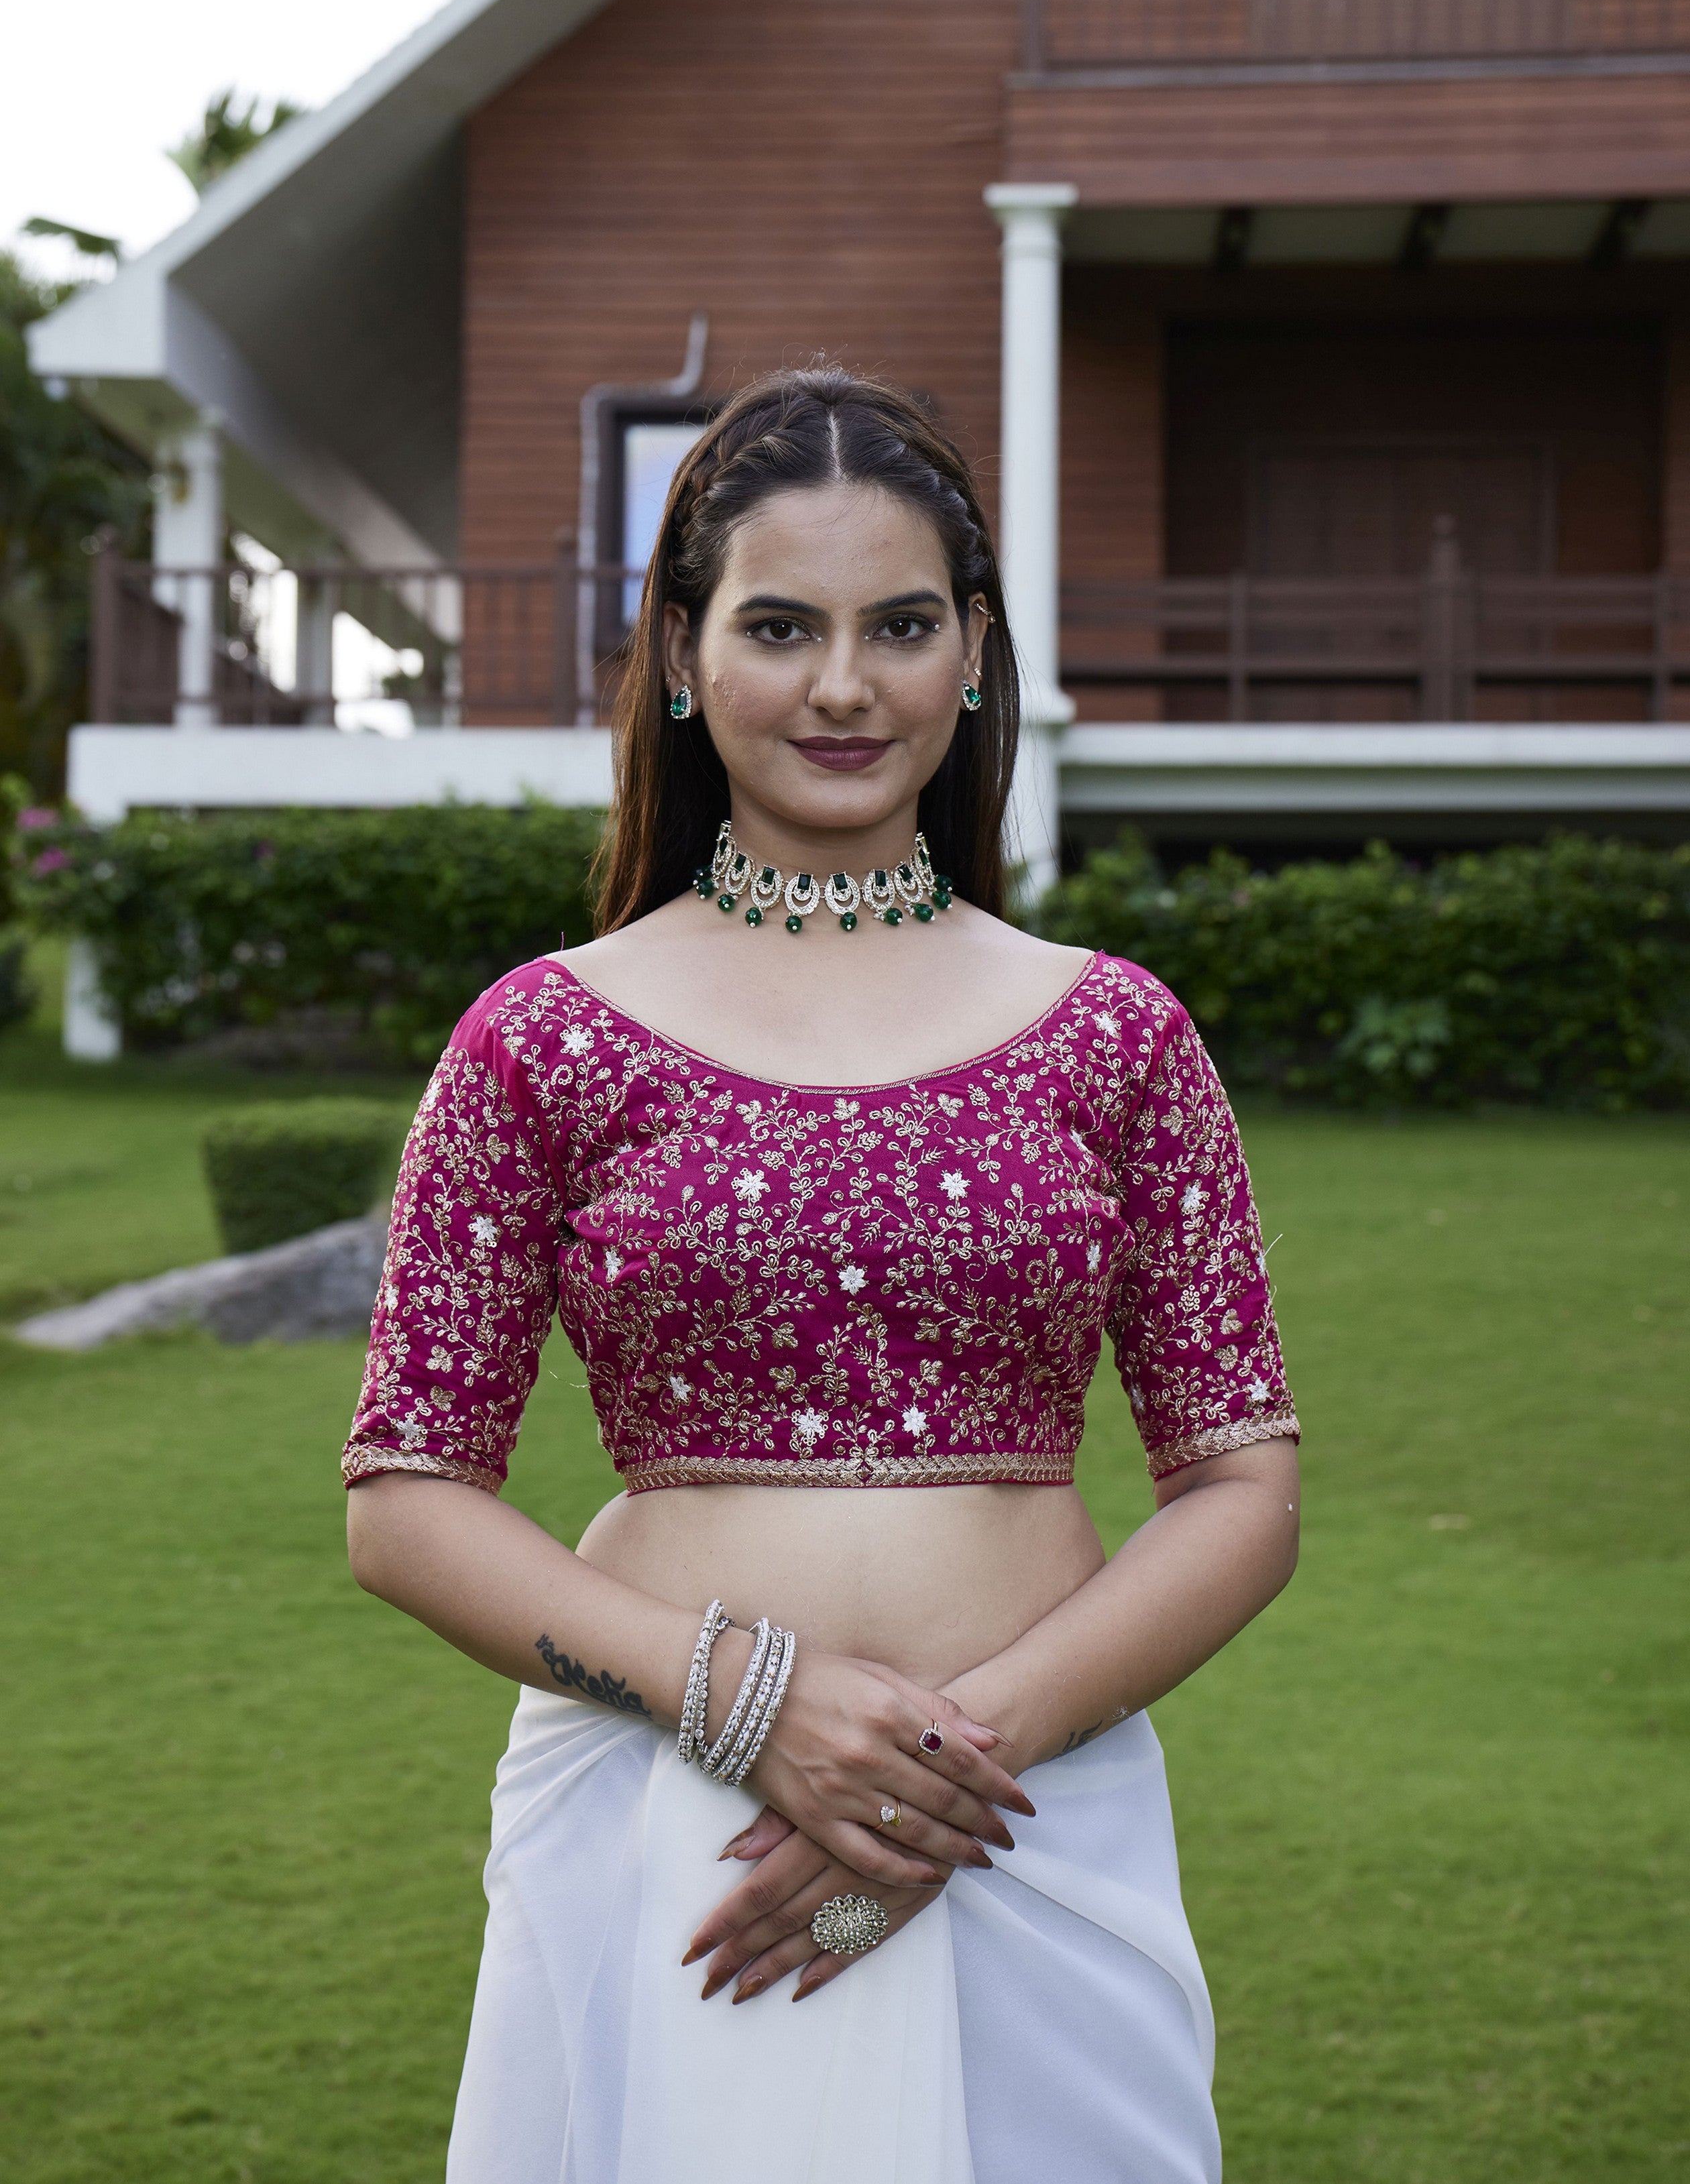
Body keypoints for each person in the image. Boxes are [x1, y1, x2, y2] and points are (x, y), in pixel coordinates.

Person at [343, 366, 1300, 2184]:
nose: (845, 685)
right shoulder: (546, 1037)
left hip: (1032, 1823)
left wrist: (946, 1769)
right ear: (685, 658)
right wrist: (750, 1704)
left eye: (902, 625)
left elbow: (1244, 1482)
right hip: (673, 1828)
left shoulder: (1117, 1035)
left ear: (973, 654)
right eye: (781, 626)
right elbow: (404, 1497)